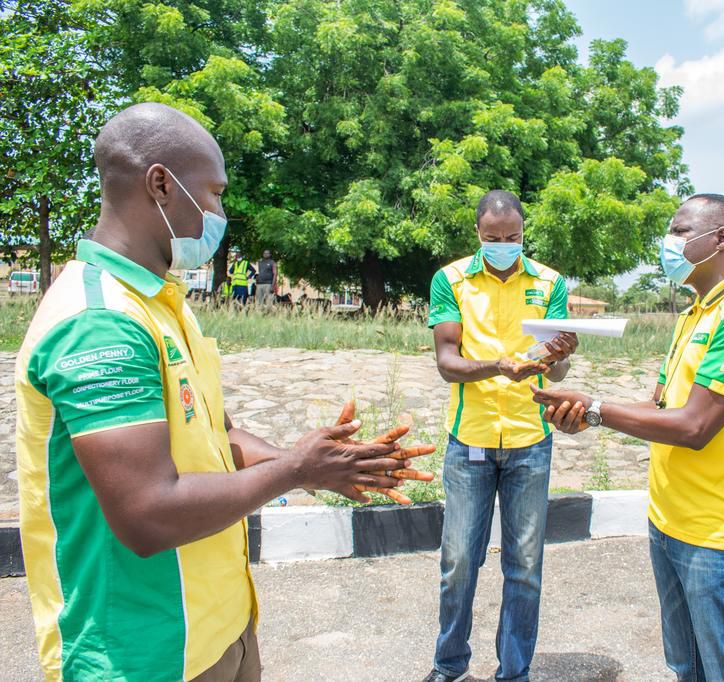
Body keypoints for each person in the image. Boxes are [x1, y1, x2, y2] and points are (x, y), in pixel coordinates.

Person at [14, 102, 433, 681]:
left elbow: (220, 436)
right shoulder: (100, 322)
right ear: (160, 184)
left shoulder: (162, 303)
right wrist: (290, 474)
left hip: (219, 628)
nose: (218, 213)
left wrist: (319, 466)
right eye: (212, 194)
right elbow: (147, 515)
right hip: (142, 651)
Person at [532, 194, 724, 682]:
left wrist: (595, 408)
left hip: (720, 531)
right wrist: (586, 414)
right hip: (671, 520)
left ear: (719, 239)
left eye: (678, 231)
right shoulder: (696, 313)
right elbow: (660, 408)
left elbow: (695, 426)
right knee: (687, 667)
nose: (668, 243)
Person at [422, 190, 579, 682]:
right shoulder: (451, 279)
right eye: (494, 239)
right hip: (469, 438)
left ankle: (515, 672)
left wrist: (558, 355)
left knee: (525, 566)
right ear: (478, 234)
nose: (504, 246)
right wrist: (497, 365)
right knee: (459, 563)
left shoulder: (550, 282)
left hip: (530, 441)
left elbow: (555, 373)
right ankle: (449, 666)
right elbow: (448, 363)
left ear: (523, 232)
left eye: (513, 238)